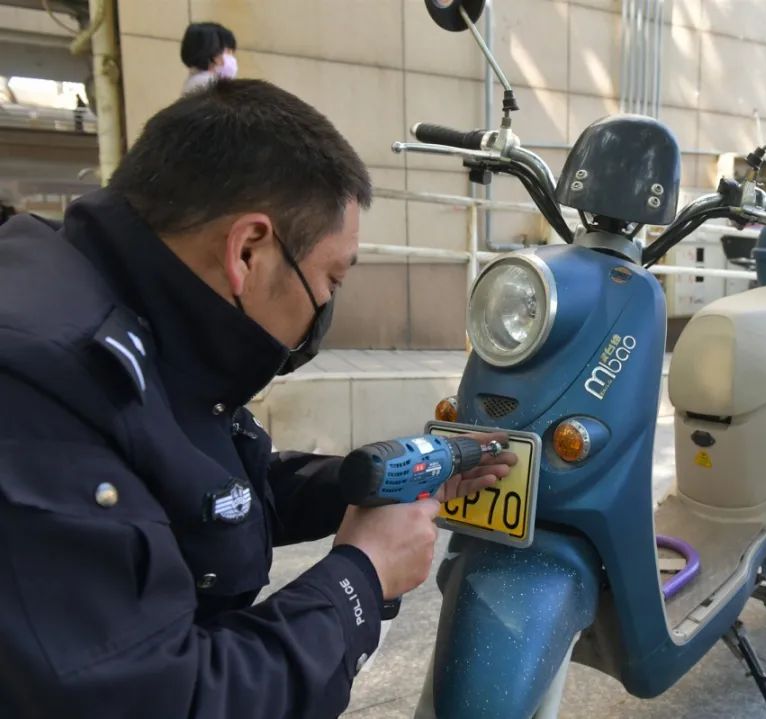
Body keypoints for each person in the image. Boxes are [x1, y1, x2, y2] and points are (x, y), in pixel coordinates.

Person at [0, 79, 516, 718]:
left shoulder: (127, 311)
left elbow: (204, 487)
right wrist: (362, 576)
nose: (326, 305)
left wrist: (379, 476)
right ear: (248, 249)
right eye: (330, 278)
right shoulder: (39, 383)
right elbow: (168, 698)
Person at [181, 21, 239, 95]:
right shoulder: (210, 86)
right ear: (214, 53)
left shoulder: (195, 82)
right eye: (228, 52)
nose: (231, 57)